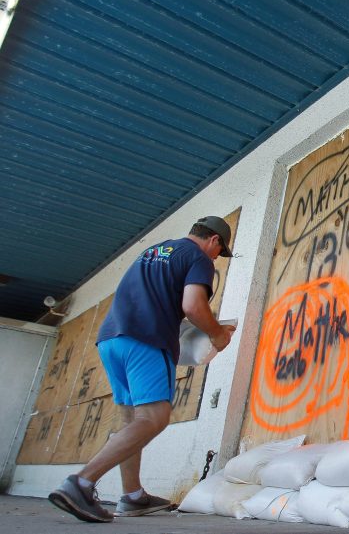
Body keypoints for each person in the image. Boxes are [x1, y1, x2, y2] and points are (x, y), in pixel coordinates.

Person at [48, 216, 237, 522]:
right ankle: (80, 483)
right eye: (220, 251)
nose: (217, 257)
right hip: (147, 341)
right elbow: (193, 305)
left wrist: (193, 330)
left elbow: (157, 301)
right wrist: (217, 334)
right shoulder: (198, 258)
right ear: (214, 240)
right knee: (154, 418)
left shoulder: (152, 251)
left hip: (112, 340)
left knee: (131, 421)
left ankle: (133, 496)